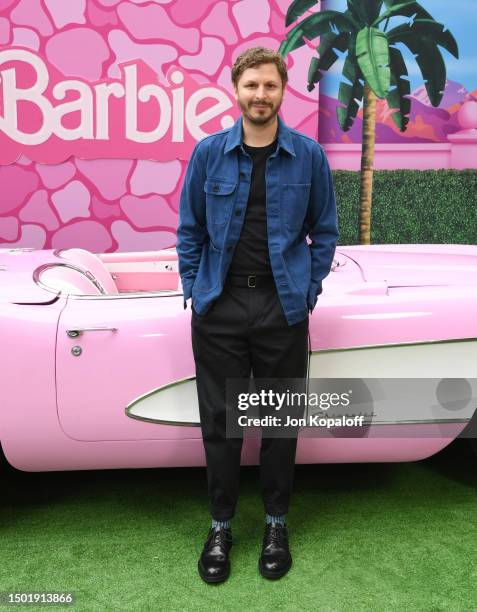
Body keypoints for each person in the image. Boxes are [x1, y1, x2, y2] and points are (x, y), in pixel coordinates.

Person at [176, 47, 339, 583]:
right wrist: (195, 290)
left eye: (269, 86)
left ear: (282, 89)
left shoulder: (309, 156)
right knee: (221, 424)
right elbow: (191, 231)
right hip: (219, 307)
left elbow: (325, 233)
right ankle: (221, 526)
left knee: (278, 425)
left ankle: (275, 523)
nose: (260, 95)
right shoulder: (208, 154)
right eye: (251, 86)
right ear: (236, 90)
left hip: (282, 306)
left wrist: (307, 291)